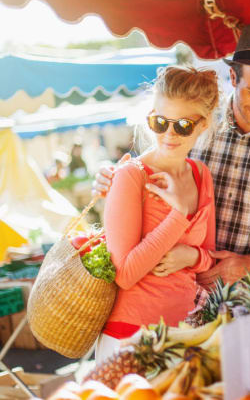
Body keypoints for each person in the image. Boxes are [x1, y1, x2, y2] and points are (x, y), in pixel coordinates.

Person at [94, 25, 250, 288]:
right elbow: (148, 167)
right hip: (181, 290)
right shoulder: (196, 121)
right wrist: (111, 180)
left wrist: (247, 265)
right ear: (232, 76)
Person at [97, 66, 219, 363]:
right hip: (132, 341)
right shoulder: (131, 176)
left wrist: (192, 257)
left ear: (203, 125)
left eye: (183, 126)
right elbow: (124, 275)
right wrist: (177, 216)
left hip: (187, 335)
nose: (169, 134)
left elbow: (209, 259)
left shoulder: (201, 174)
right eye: (160, 121)